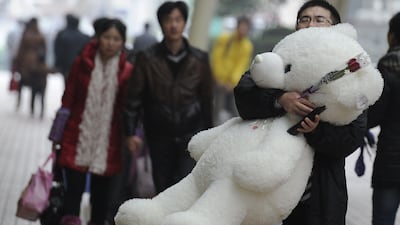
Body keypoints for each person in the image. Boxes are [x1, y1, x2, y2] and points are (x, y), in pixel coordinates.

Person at [233, 1, 367, 225]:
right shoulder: (278, 58)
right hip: (269, 187)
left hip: (320, 194)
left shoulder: (349, 74)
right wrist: (279, 99)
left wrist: (316, 130)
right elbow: (244, 94)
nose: (309, 24)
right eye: (304, 19)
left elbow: (352, 137)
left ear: (335, 28)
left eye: (319, 19)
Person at [122, 1, 213, 194]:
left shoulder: (199, 59)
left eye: (178, 20)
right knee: (163, 189)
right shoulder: (146, 58)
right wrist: (130, 132)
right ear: (161, 24)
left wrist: (210, 136)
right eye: (168, 20)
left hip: (191, 134)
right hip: (159, 135)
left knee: (185, 189)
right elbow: (133, 98)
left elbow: (206, 100)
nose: (173, 25)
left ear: (185, 23)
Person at [48, 18, 133, 225]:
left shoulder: (128, 71)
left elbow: (129, 108)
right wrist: (57, 133)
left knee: (100, 200)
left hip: (108, 144)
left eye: (116, 39)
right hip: (76, 138)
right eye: (107, 37)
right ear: (98, 38)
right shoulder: (82, 62)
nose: (111, 43)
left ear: (122, 42)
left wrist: (133, 135)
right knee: (72, 196)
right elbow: (68, 98)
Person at [367, 12, 400, 225]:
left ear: (392, 36)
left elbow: (374, 116)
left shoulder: (388, 66)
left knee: (383, 221)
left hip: (391, 162)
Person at [211, 16, 253, 124]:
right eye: (241, 27)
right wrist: (218, 77)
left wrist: (233, 82)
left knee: (235, 107)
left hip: (231, 83)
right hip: (218, 79)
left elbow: (241, 65)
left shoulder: (247, 46)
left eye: (246, 28)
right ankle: (211, 125)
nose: (243, 30)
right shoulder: (225, 38)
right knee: (215, 105)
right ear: (237, 26)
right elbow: (217, 57)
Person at [14, 17, 47, 111]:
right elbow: (45, 51)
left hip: (25, 63)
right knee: (36, 85)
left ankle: (19, 102)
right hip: (37, 63)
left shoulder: (26, 35)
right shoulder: (41, 35)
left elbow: (20, 51)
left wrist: (17, 63)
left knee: (22, 82)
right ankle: (35, 107)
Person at [54, 14, 91, 86]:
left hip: (66, 67)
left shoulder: (62, 35)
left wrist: (58, 66)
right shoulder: (85, 37)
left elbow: (58, 52)